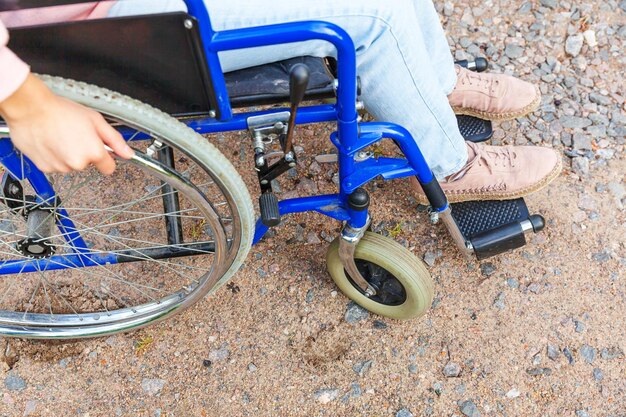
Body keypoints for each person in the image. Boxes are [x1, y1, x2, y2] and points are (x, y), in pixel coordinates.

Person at [0, 0, 561, 203]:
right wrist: (24, 101)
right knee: (375, 15)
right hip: (101, 27)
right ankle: (449, 167)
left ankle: (431, 84)